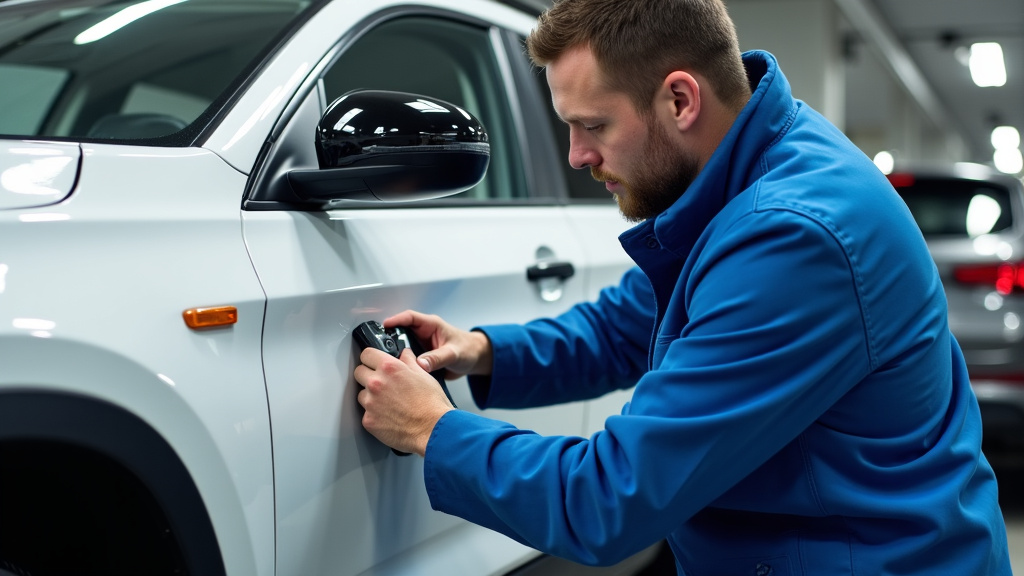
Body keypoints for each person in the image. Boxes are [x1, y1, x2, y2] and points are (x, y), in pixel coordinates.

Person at [353, 0, 1012, 573]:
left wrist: (436, 431)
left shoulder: (794, 239)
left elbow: (610, 499)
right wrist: (484, 351)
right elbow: (626, 325)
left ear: (679, 99)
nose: (578, 155)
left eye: (594, 125)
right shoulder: (745, 170)